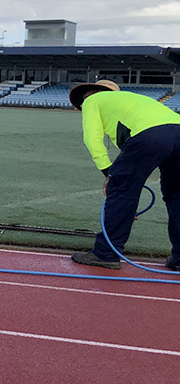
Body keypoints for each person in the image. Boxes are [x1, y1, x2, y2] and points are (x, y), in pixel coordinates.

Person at [69, 79, 180, 270]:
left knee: (122, 193)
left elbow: (92, 138)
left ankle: (105, 253)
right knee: (177, 197)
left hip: (148, 135)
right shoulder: (133, 100)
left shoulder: (92, 101)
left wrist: (108, 173)